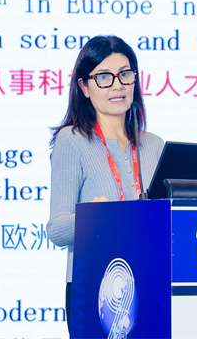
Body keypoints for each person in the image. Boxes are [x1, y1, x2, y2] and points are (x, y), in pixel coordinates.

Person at [47, 35, 164, 329]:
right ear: (84, 87)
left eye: (125, 74)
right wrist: (94, 217)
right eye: (103, 77)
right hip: (95, 287)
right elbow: (56, 229)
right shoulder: (72, 141)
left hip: (150, 281)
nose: (117, 85)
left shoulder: (154, 145)